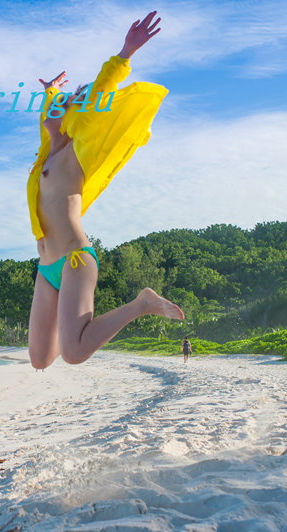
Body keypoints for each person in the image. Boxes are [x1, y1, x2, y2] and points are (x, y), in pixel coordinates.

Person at [27, 11, 184, 370]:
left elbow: (97, 94)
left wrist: (125, 53)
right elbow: (49, 117)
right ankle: (74, 330)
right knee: (39, 360)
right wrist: (52, 92)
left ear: (77, 114)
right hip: (47, 265)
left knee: (74, 353)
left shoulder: (77, 152)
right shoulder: (46, 157)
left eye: (65, 102)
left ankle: (141, 304)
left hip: (75, 260)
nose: (55, 105)